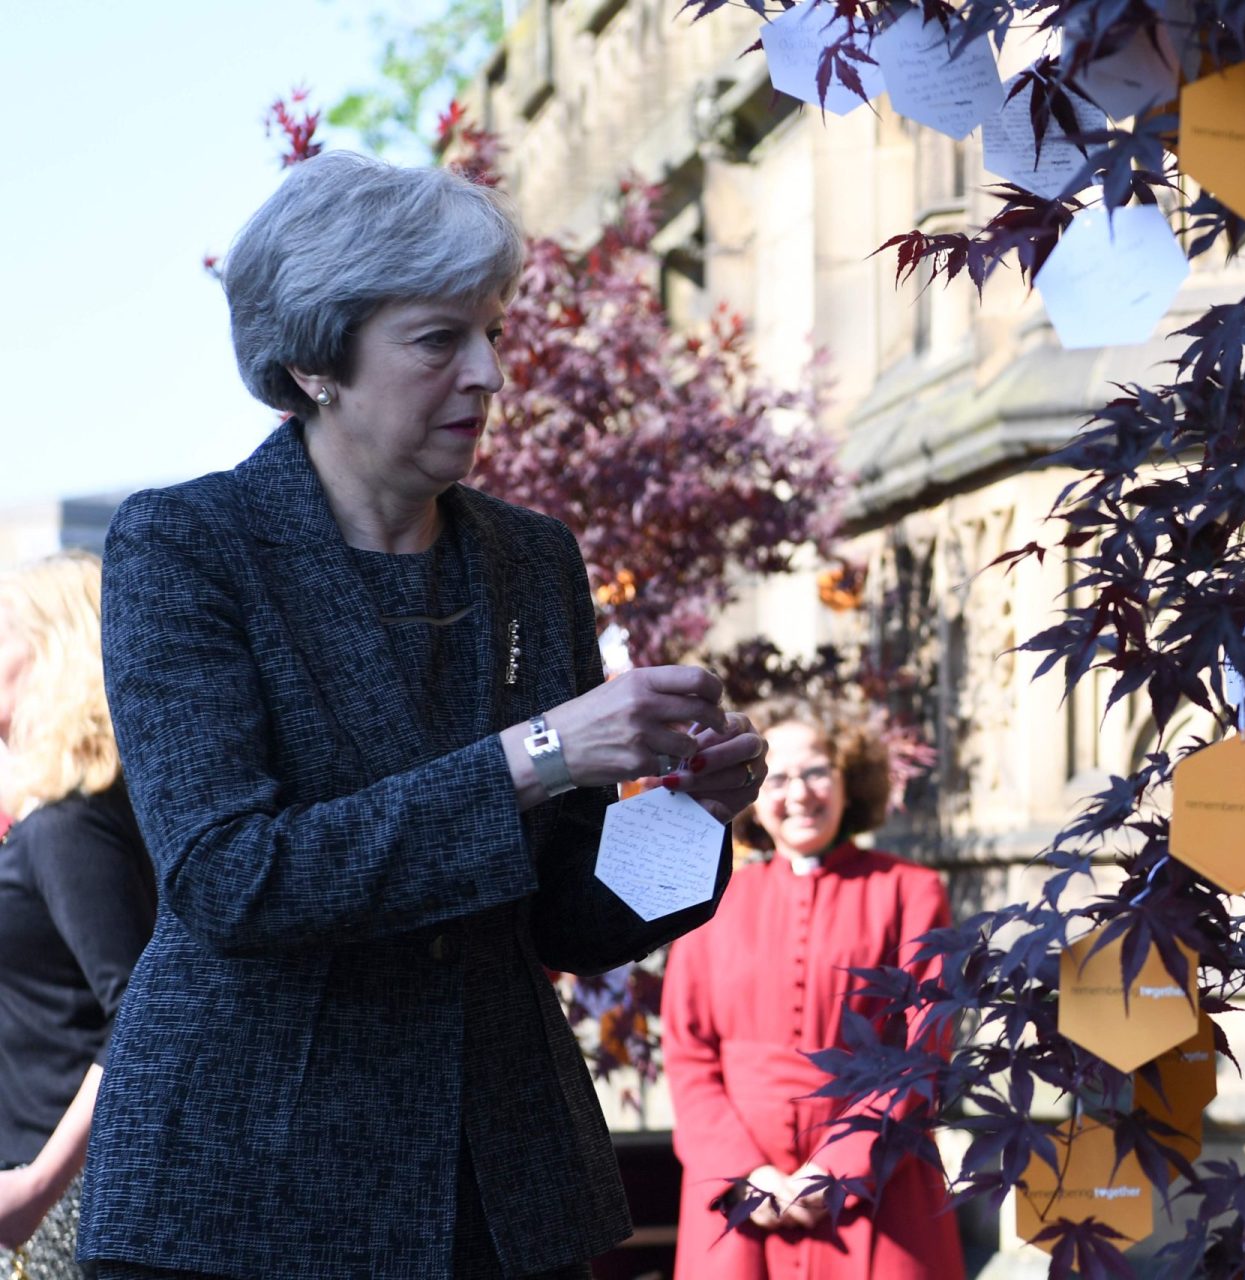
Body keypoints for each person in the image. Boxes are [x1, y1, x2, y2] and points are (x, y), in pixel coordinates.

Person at [76, 150, 768, 1280]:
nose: (491, 371)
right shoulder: (186, 547)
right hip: (246, 1193)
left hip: (502, 1186)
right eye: (440, 338)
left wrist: (689, 814)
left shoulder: (533, 559)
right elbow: (229, 875)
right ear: (313, 362)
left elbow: (565, 920)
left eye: (491, 330)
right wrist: (540, 754)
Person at [661, 699, 964, 1280]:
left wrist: (842, 1165)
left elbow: (924, 1050)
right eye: (777, 776)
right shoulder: (708, 903)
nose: (798, 793)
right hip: (742, 1200)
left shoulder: (912, 892)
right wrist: (741, 1172)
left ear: (850, 781)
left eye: (817, 771)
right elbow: (689, 1056)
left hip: (877, 1187)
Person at [0, 553, 156, 1280]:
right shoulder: (85, 814)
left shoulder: (68, 827)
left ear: (49, 649)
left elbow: (143, 1018)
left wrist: (38, 1186)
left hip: (66, 1200)